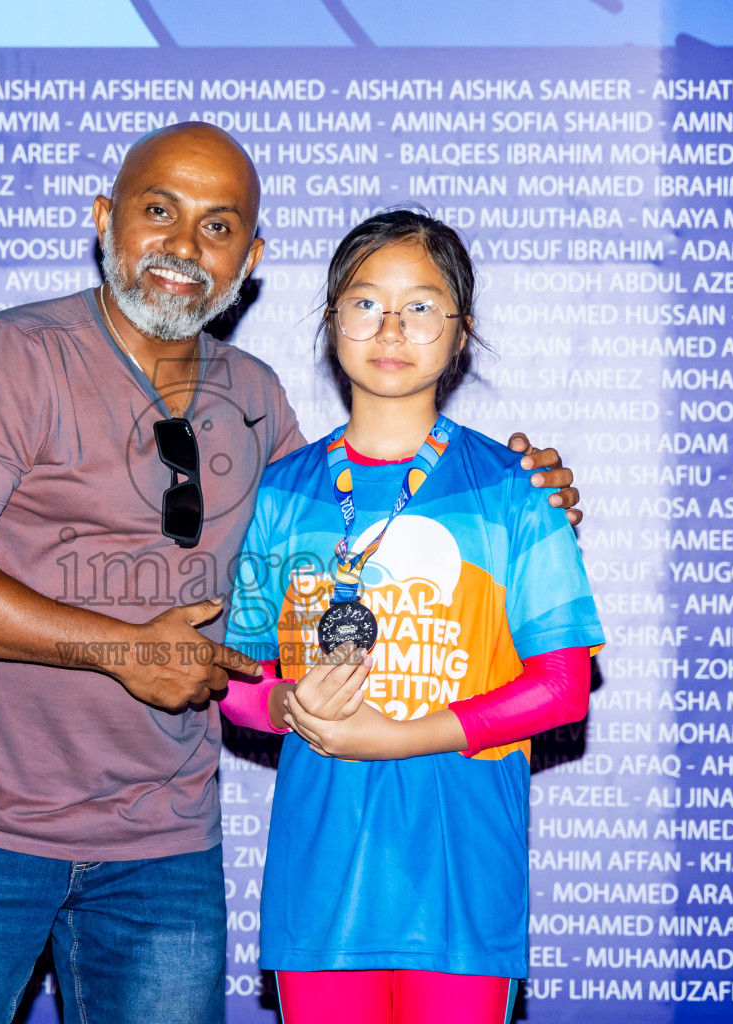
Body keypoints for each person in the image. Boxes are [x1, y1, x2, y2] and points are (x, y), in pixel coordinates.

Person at [0, 124, 582, 1024]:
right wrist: (118, 649)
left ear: (253, 256)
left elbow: (358, 533)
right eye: (159, 211)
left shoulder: (259, 402)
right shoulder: (4, 360)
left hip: (165, 852)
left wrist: (516, 493)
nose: (184, 246)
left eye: (218, 225)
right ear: (105, 219)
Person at [221, 210, 604, 1024]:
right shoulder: (283, 491)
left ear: (461, 332)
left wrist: (399, 736)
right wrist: (287, 704)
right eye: (365, 303)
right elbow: (235, 676)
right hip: (320, 888)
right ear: (331, 324)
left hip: (464, 881)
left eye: (422, 306)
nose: (391, 327)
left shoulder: (512, 490)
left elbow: (564, 688)